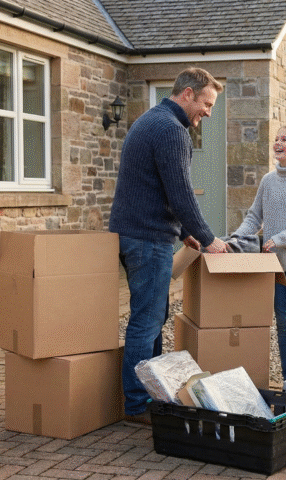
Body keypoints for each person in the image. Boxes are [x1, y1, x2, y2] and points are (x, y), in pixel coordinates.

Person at [109, 67, 228, 425]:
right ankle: (136, 405)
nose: (208, 112)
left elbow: (153, 188)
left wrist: (182, 234)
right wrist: (208, 239)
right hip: (146, 241)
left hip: (138, 234)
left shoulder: (152, 120)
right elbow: (179, 194)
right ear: (188, 94)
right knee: (146, 322)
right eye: (206, 103)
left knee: (151, 317)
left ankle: (152, 393)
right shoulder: (172, 131)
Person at [225, 124, 286, 381]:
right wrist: (236, 238)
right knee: (283, 323)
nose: (278, 143)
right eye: (276, 139)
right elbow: (254, 217)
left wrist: (279, 238)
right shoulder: (269, 180)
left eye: (285, 139)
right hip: (275, 264)